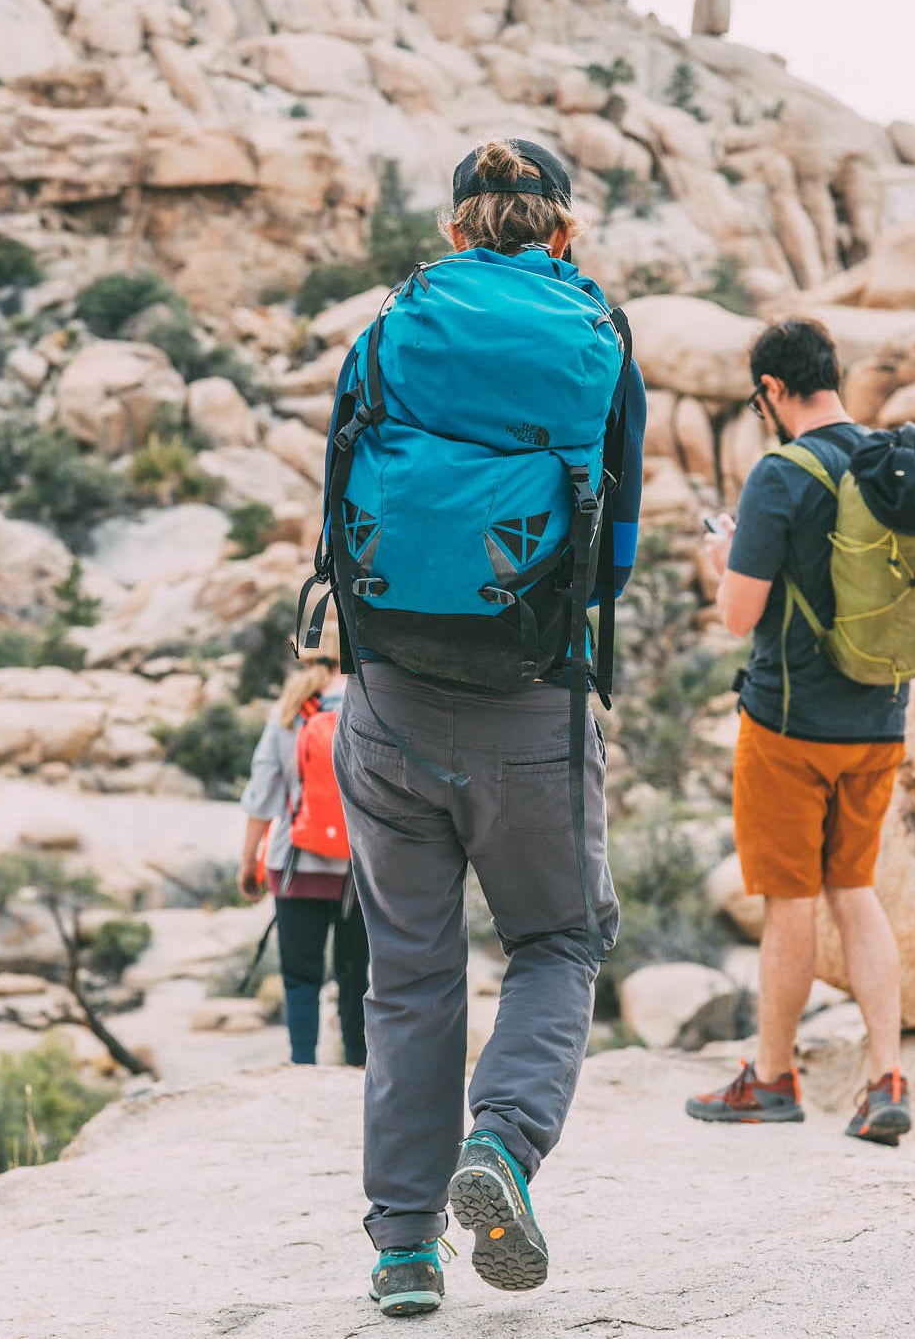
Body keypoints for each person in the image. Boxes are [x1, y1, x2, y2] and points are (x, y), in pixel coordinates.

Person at [320, 137, 644, 1317]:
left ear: (459, 226)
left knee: (408, 976)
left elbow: (334, 495)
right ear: (561, 228)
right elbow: (616, 551)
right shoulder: (595, 336)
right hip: (529, 703)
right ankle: (501, 1147)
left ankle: (403, 1250)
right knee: (558, 940)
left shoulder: (392, 328)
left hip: (388, 696)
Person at [684, 319, 915, 1143]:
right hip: (881, 717)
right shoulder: (893, 460)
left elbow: (740, 613)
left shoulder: (780, 475)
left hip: (789, 724)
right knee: (854, 891)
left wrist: (723, 563)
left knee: (790, 902)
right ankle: (886, 1077)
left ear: (774, 392)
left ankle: (773, 1076)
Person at [238, 618, 369, 1067]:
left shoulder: (289, 711)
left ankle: (302, 1064)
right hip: (360, 867)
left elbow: (262, 795)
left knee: (300, 976)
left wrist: (248, 860)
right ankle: (357, 1064)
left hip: (295, 864)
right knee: (357, 975)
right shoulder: (370, 703)